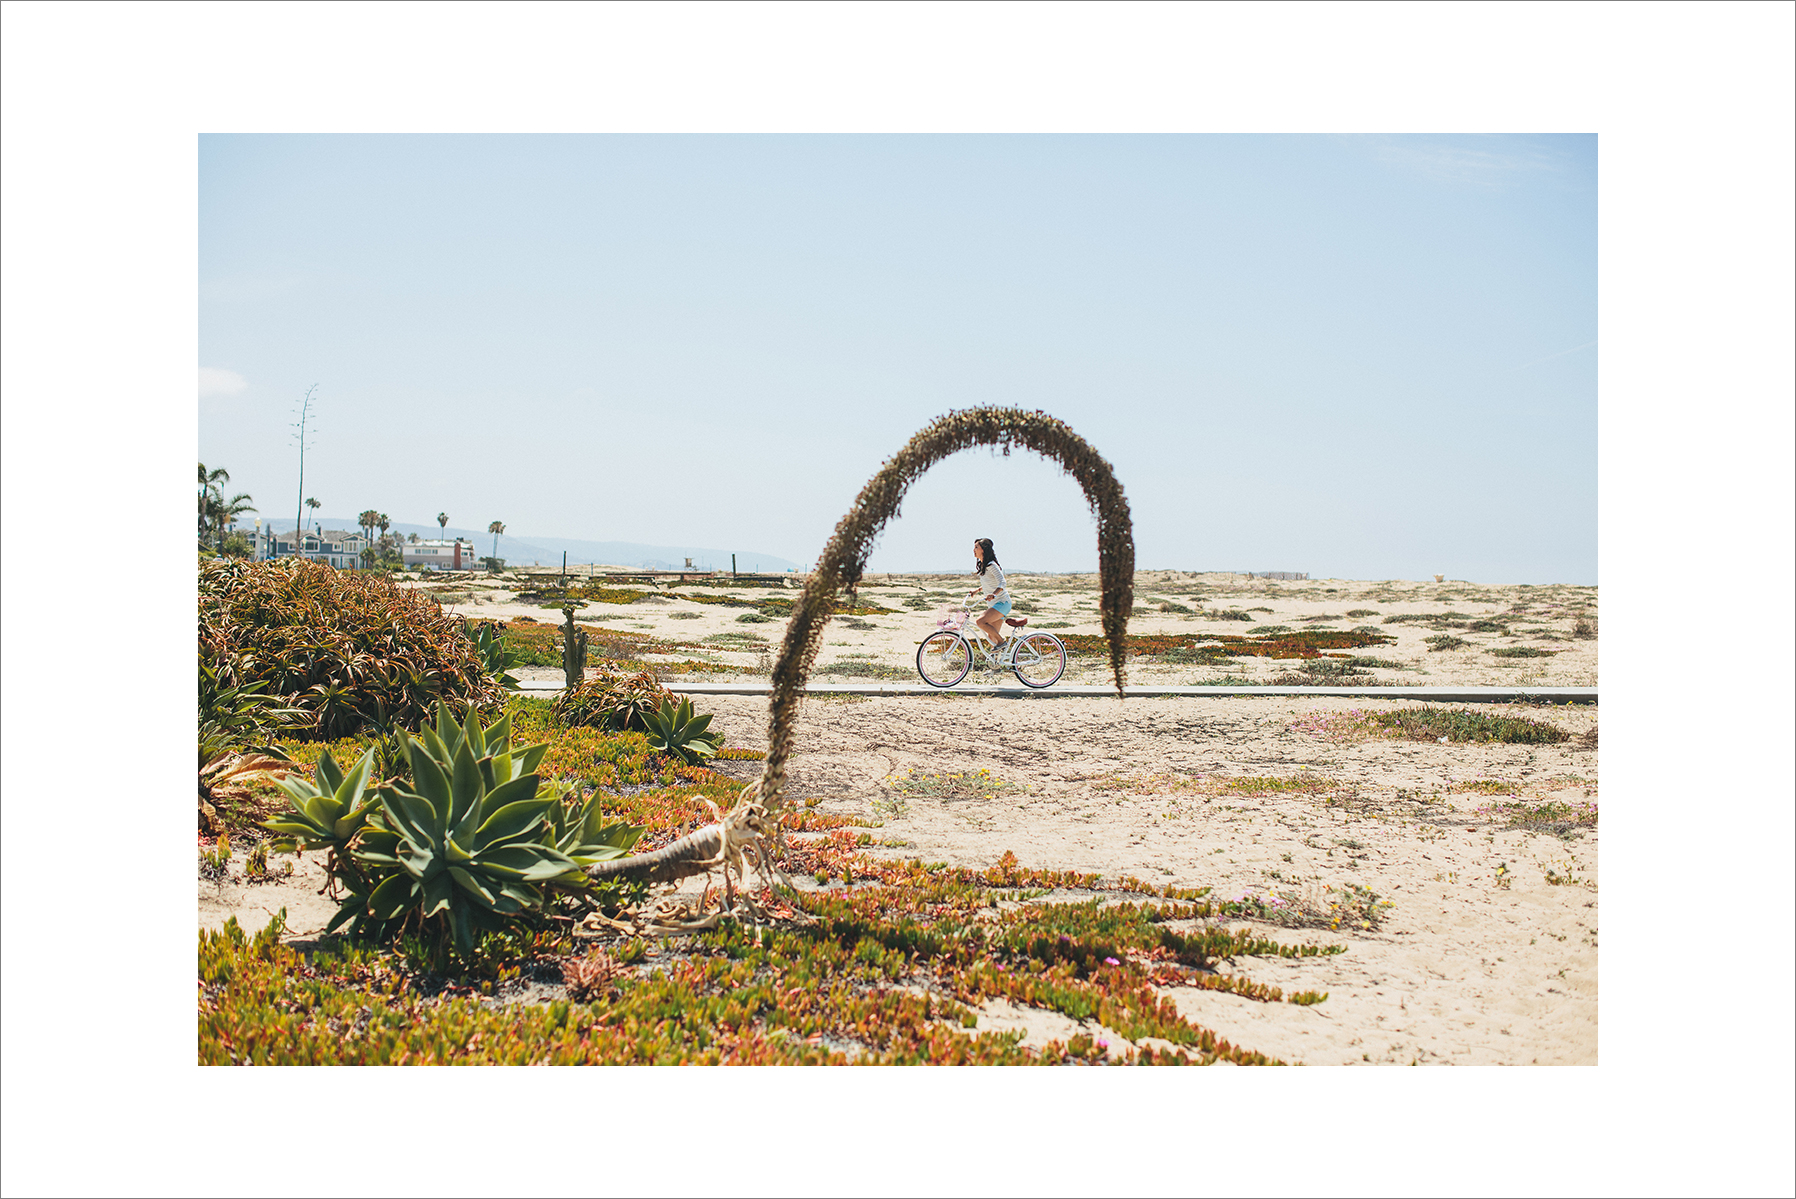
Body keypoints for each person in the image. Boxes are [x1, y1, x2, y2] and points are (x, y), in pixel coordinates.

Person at [967, 537, 1012, 656]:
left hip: (1002, 603)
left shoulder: (992, 565)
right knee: (992, 638)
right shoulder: (984, 565)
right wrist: (977, 590)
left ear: (984, 550)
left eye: (976, 547)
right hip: (994, 604)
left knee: (980, 621)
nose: (973, 550)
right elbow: (989, 584)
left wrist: (994, 594)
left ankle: (1002, 643)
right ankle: (995, 667)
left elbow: (1002, 582)